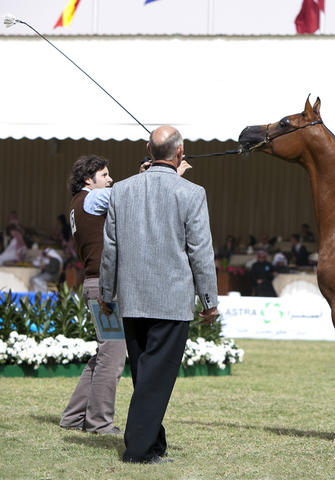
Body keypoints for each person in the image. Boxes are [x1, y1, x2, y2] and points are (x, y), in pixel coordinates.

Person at [99, 125, 219, 464]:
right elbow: (200, 251)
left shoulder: (120, 190)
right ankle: (138, 450)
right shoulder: (192, 193)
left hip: (133, 300)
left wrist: (107, 293)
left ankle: (153, 443)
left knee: (145, 376)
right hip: (171, 301)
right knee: (155, 380)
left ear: (148, 152)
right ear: (179, 154)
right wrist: (209, 300)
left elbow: (111, 250)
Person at [59, 154, 127, 435]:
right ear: (89, 179)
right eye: (105, 175)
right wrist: (152, 174)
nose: (110, 179)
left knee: (104, 355)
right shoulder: (92, 198)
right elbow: (126, 196)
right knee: (112, 358)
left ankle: (73, 417)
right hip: (103, 286)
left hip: (95, 284)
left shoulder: (80, 203)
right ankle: (99, 422)